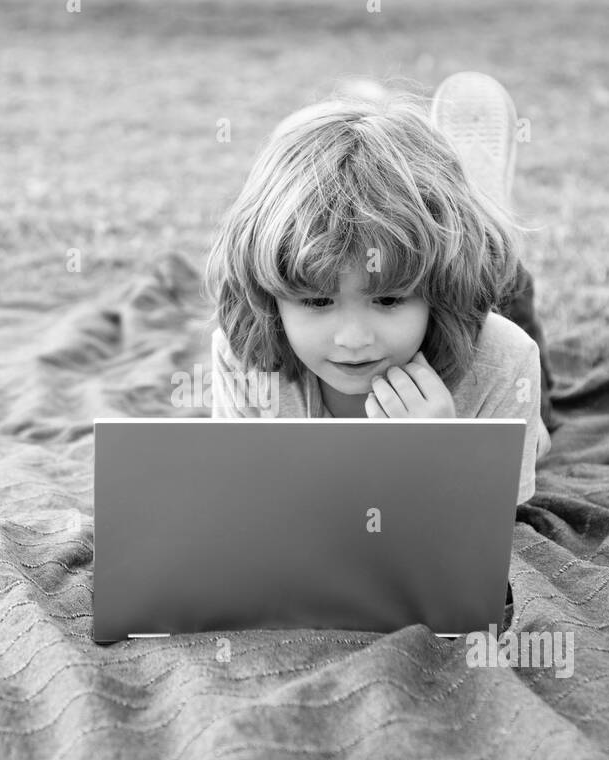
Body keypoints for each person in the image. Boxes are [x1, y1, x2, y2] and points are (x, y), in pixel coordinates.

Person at [206, 73, 555, 505]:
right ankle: (469, 206)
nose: (353, 339)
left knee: (502, 292)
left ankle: (479, 210)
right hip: (426, 260)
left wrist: (445, 455)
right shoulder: (243, 358)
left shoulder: (503, 360)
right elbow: (245, 506)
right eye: (317, 300)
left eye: (388, 299)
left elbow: (489, 529)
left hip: (461, 292)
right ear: (267, 297)